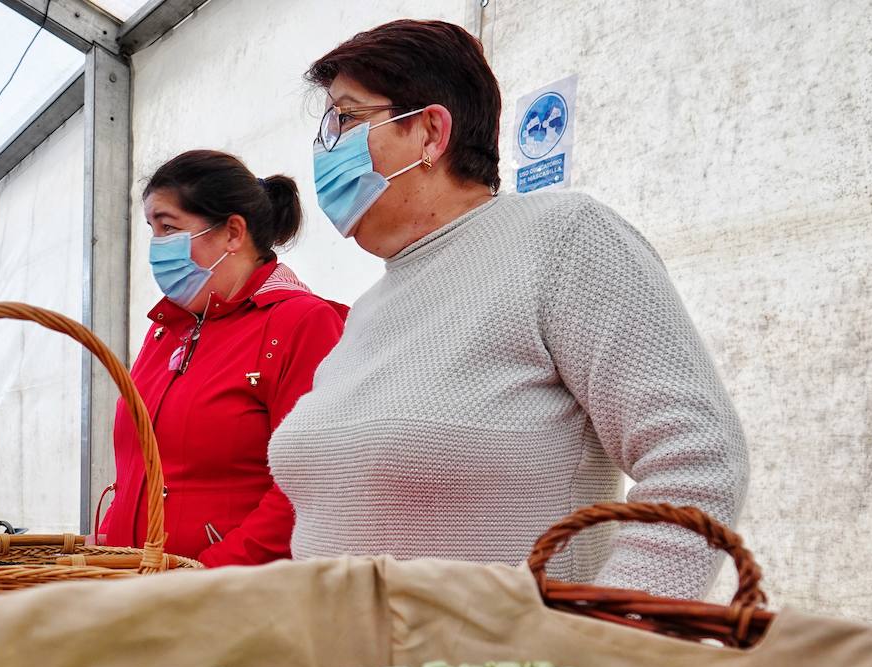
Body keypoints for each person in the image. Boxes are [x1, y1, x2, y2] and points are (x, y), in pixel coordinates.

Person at [269, 20, 749, 599]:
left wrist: (611, 639)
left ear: (429, 131)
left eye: (345, 119)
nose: (326, 149)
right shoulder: (370, 307)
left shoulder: (561, 238)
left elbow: (696, 458)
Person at [97, 151, 347, 567]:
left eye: (169, 228)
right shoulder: (166, 327)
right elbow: (139, 471)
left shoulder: (301, 322)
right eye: (152, 231)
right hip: (139, 592)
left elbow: (306, 485)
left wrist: (207, 577)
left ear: (233, 232)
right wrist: (109, 541)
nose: (157, 249)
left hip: (227, 603)